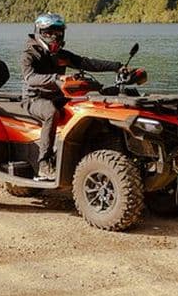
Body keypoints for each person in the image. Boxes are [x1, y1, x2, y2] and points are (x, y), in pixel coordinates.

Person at [22, 13, 123, 180]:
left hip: (58, 96)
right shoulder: (30, 53)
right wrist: (56, 78)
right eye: (49, 32)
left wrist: (117, 67)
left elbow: (86, 62)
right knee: (50, 112)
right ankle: (44, 164)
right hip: (34, 99)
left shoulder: (60, 54)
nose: (55, 36)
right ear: (40, 32)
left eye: (59, 32)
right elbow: (30, 77)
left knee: (87, 105)